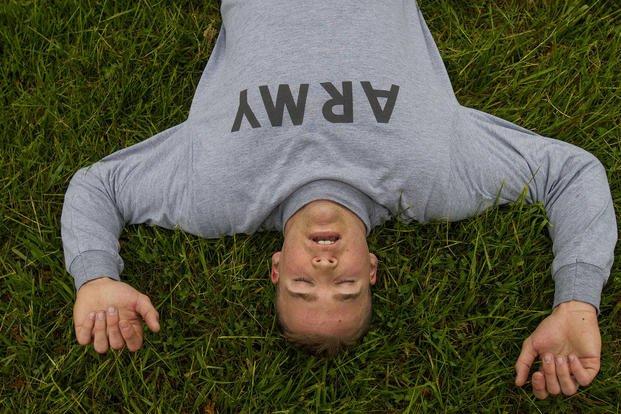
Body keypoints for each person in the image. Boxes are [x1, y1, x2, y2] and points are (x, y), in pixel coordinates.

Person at [61, 0, 617, 400]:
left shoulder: (216, 194)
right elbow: (570, 173)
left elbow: (98, 186)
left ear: (277, 267)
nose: (324, 267)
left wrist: (95, 277)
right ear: (371, 268)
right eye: (344, 286)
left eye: (304, 284)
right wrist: (575, 302)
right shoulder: (433, 179)